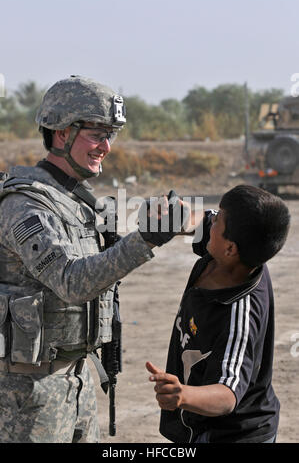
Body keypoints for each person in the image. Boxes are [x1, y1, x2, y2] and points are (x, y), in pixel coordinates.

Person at [0, 75, 188, 443]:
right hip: (27, 392)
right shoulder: (25, 205)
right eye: (97, 134)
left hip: (77, 377)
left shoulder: (76, 201)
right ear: (61, 134)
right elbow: (71, 281)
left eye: (110, 135)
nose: (106, 146)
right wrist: (146, 239)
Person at [146, 185, 291, 443]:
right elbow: (196, 220)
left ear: (230, 249)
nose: (210, 219)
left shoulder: (239, 312)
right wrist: (171, 218)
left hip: (235, 435)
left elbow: (227, 394)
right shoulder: (236, 254)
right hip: (202, 425)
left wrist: (183, 395)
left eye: (218, 219)